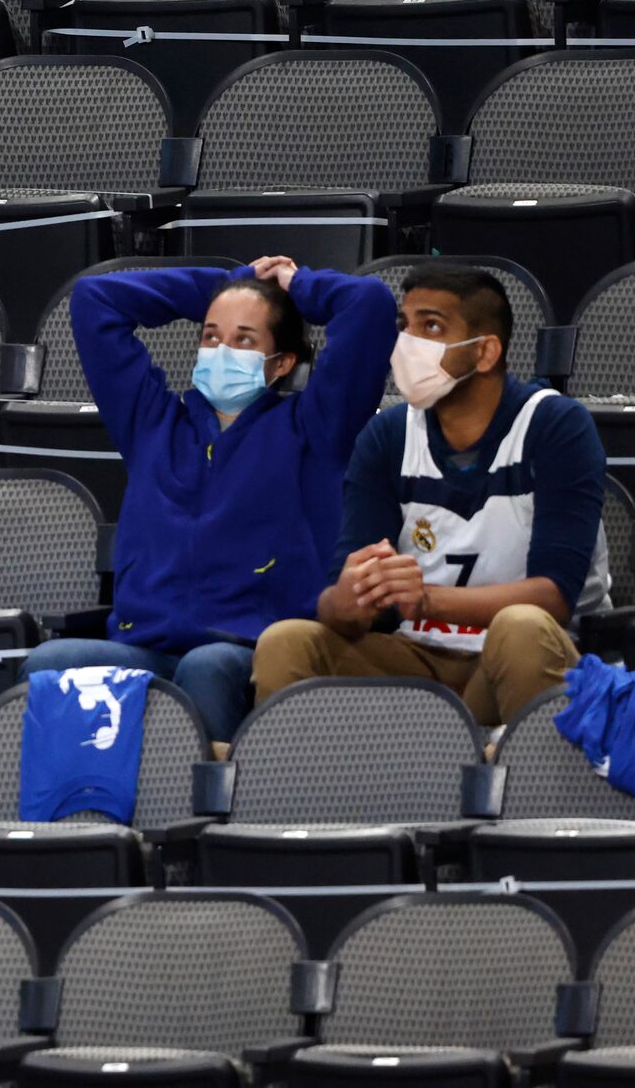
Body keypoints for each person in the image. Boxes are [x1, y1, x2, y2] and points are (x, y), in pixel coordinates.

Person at [21, 256, 396, 740]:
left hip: (250, 644)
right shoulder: (153, 423)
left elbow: (369, 304)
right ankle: (70, 810)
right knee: (51, 661)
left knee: (207, 665)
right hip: (146, 642)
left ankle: (210, 806)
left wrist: (295, 284)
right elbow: (96, 300)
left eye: (244, 340)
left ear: (281, 363)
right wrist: (228, 284)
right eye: (211, 336)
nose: (222, 350)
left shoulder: (316, 428)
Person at [256, 267, 609, 727]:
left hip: (528, 656)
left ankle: (534, 785)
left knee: (520, 627)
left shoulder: (555, 426)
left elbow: (554, 597)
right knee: (287, 641)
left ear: (484, 352)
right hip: (415, 659)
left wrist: (426, 600)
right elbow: (343, 598)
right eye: (404, 326)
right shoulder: (386, 436)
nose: (408, 343)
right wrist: (344, 601)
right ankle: (299, 792)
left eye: (432, 326)